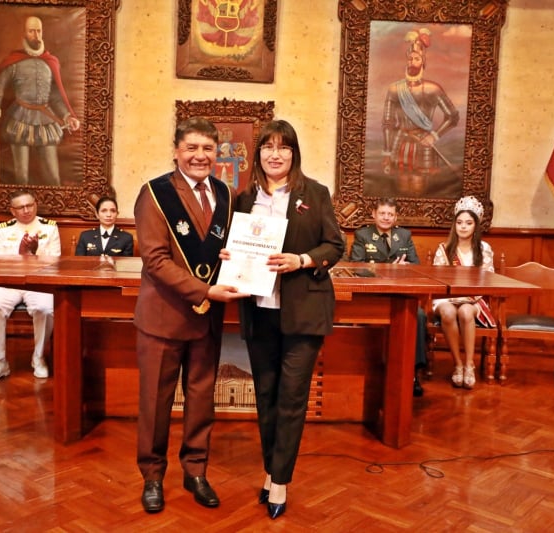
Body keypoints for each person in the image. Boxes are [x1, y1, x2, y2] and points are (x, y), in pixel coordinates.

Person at [229, 119, 345, 519]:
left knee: (292, 398)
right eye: (268, 147)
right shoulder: (243, 198)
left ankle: (279, 480)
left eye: (283, 147)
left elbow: (335, 245)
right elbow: (232, 245)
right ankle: (270, 469)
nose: (275, 154)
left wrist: (303, 259)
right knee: (266, 396)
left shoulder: (314, 193)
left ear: (293, 154)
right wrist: (229, 256)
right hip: (259, 311)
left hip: (303, 312)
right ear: (258, 153)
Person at [133, 117, 246, 514]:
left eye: (208, 149)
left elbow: (230, 248)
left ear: (217, 153)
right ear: (177, 151)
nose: (200, 156)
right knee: (155, 402)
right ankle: (152, 476)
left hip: (207, 319)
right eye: (192, 148)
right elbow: (155, 260)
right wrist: (205, 290)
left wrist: (237, 260)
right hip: (163, 317)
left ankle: (196, 471)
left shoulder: (226, 194)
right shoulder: (155, 193)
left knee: (201, 400)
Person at [0, 15, 80, 186]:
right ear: (25, 33)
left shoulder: (50, 63)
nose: (36, 35)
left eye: (38, 31)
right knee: (21, 178)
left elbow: (55, 96)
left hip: (46, 119)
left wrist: (67, 116)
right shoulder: (14, 62)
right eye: (31, 31)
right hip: (19, 118)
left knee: (53, 178)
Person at [0, 191, 61, 384]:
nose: (26, 210)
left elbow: (56, 260)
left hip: (39, 281)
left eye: (29, 205)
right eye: (20, 207)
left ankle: (38, 358)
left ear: (36, 205)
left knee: (45, 310)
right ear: (12, 211)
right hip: (10, 281)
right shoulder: (3, 229)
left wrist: (34, 252)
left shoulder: (49, 227)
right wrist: (20, 252)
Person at [350, 197, 426, 397]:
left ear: (395, 216)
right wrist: (387, 269)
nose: (386, 217)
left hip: (398, 294)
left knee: (418, 315)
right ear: (374, 214)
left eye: (390, 214)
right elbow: (355, 267)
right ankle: (371, 371)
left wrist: (405, 268)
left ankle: (413, 373)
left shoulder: (404, 235)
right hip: (372, 296)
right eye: (382, 213)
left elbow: (416, 266)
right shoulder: (363, 235)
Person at [432, 196, 495, 390]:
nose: (463, 227)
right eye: (459, 222)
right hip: (446, 298)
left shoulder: (484, 249)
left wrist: (469, 296)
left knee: (466, 311)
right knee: (448, 312)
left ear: (476, 226)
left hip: (473, 299)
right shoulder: (444, 249)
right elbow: (437, 280)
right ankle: (457, 364)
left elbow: (488, 280)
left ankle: (469, 365)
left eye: (468, 223)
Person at [382, 28, 459, 179]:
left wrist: (434, 136)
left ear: (423, 61)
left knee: (426, 184)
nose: (412, 62)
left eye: (416, 58)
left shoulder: (433, 89)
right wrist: (387, 152)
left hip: (424, 145)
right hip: (399, 143)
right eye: (410, 59)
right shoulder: (395, 89)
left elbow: (453, 117)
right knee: (400, 182)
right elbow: (387, 123)